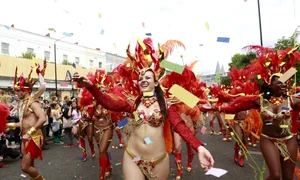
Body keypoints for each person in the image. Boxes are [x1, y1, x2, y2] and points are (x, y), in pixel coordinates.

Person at [73, 37, 214, 180]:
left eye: (147, 77)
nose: (143, 80)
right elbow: (109, 103)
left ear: (156, 82)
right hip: (133, 158)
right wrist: (91, 87)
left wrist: (199, 147)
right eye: (141, 78)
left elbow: (179, 125)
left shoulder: (165, 103)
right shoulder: (133, 103)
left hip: (158, 160)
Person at [205, 46, 300, 179]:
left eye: (284, 83)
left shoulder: (293, 100)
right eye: (279, 84)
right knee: (276, 175)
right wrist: (216, 108)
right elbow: (235, 107)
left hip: (289, 140)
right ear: (270, 85)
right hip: (269, 140)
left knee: (288, 177)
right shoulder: (259, 101)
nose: (283, 86)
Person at [7, 62, 47, 180]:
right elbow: (22, 123)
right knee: (30, 166)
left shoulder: (33, 102)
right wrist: (7, 125)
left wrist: (30, 133)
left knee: (25, 167)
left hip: (33, 137)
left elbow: (42, 118)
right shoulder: (22, 104)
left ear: (25, 91)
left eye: (18, 90)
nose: (16, 93)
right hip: (24, 137)